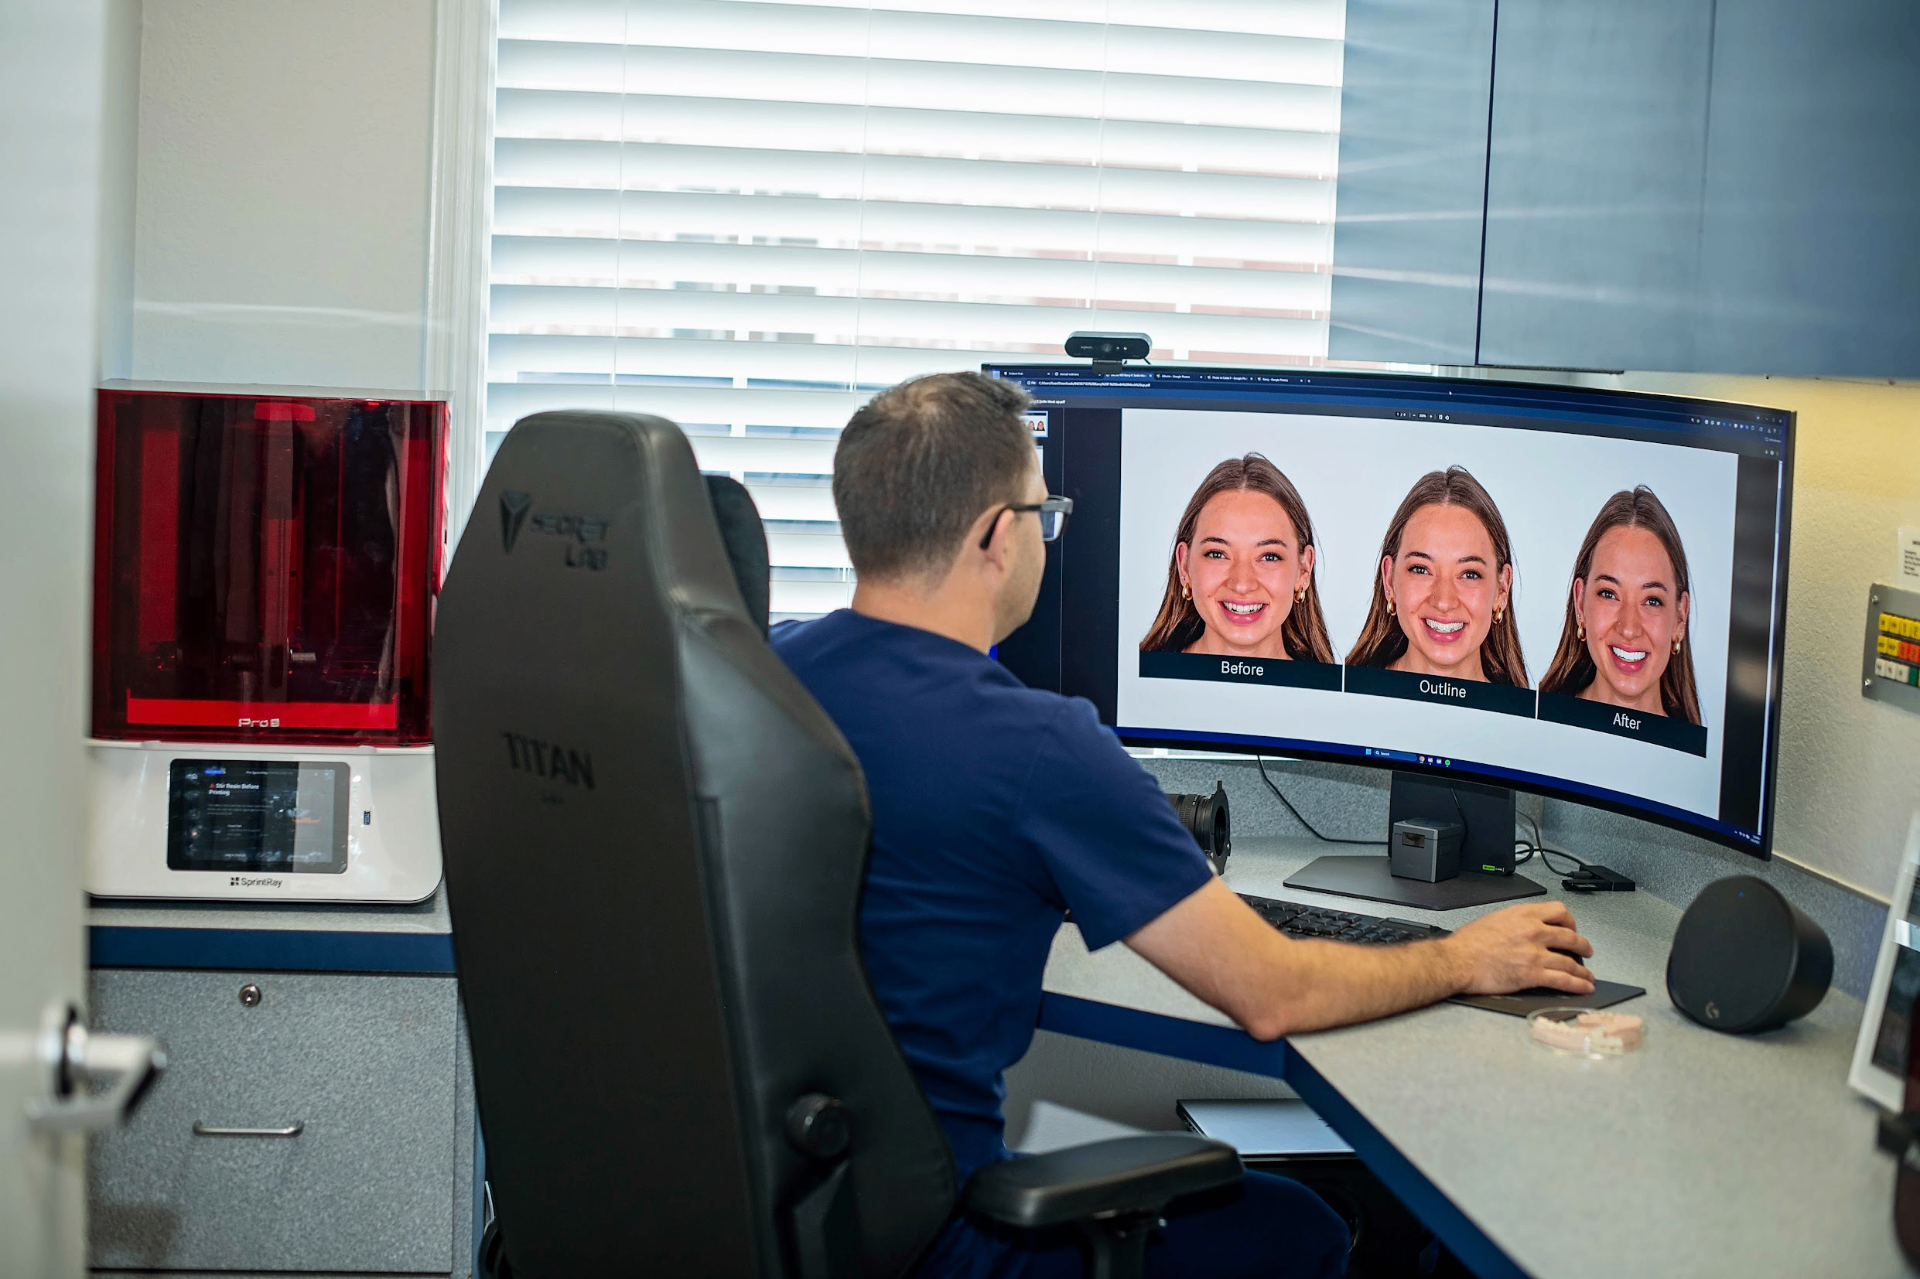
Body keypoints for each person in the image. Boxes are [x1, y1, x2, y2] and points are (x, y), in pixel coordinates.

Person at [770, 373, 1593, 1278]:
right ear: (998, 538)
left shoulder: (757, 674)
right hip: (944, 1243)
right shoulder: (1038, 746)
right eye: (1045, 515)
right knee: (1301, 1228)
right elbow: (1269, 992)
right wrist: (1462, 958)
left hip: (799, 1212)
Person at [1139, 454, 1334, 663]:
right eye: (1217, 554)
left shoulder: (1336, 692)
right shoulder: (1132, 683)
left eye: (1269, 556)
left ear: (1304, 570)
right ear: (1184, 564)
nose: (1242, 584)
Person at [1345, 466, 1529, 687]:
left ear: (1502, 589)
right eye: (1421, 569)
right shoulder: (1339, 697)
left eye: (1470, 574)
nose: (1443, 601)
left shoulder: (1531, 719)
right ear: (1389, 579)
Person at [1539, 487, 1700, 723]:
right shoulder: (1531, 724)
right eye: (1609, 594)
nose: (1629, 629)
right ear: (1580, 603)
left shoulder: (1702, 755)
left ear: (1680, 617)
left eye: (1652, 601)